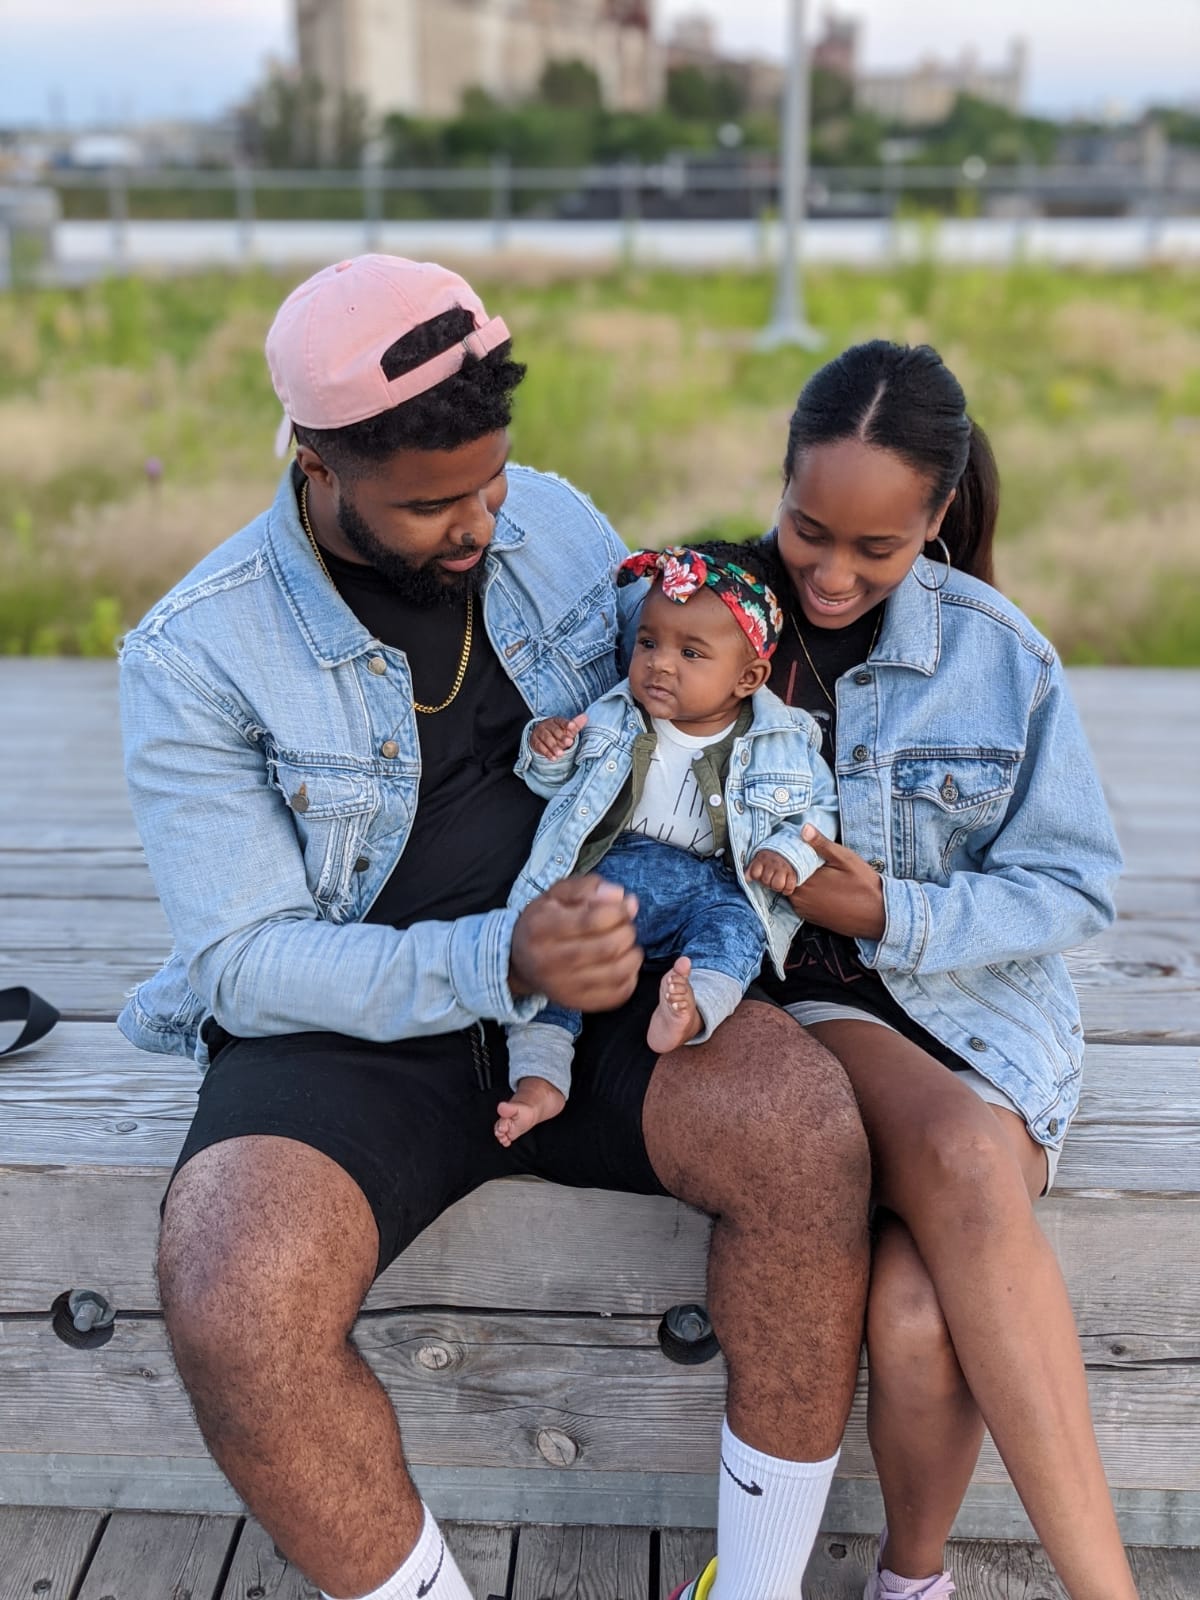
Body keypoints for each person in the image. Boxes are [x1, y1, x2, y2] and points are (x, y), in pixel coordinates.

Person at [116, 255, 870, 1600]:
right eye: (429, 505)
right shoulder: (196, 653)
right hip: (356, 1026)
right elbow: (241, 958)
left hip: (599, 978)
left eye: (490, 478)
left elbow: (695, 708)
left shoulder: (560, 523)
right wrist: (492, 958)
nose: (479, 522)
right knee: (233, 1293)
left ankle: (754, 1591)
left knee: (804, 1133)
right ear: (316, 462)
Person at [708, 338, 1129, 1600]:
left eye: (876, 549)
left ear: (938, 518)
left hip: (991, 1025)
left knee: (912, 1315)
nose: (830, 574)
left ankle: (914, 1580)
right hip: (820, 1007)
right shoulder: (715, 615)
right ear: (778, 486)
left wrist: (897, 904)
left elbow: (1074, 885)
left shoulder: (1001, 658)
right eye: (806, 529)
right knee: (948, 1149)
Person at [496, 543, 839, 1145]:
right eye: (649, 643)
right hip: (612, 873)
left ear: (748, 678)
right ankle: (540, 1080)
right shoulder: (613, 716)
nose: (659, 665)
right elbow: (551, 785)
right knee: (556, 943)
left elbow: (820, 813)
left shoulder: (783, 741)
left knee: (739, 931)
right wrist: (548, 749)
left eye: (690, 653)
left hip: (715, 886)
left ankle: (690, 1007)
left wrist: (788, 853)